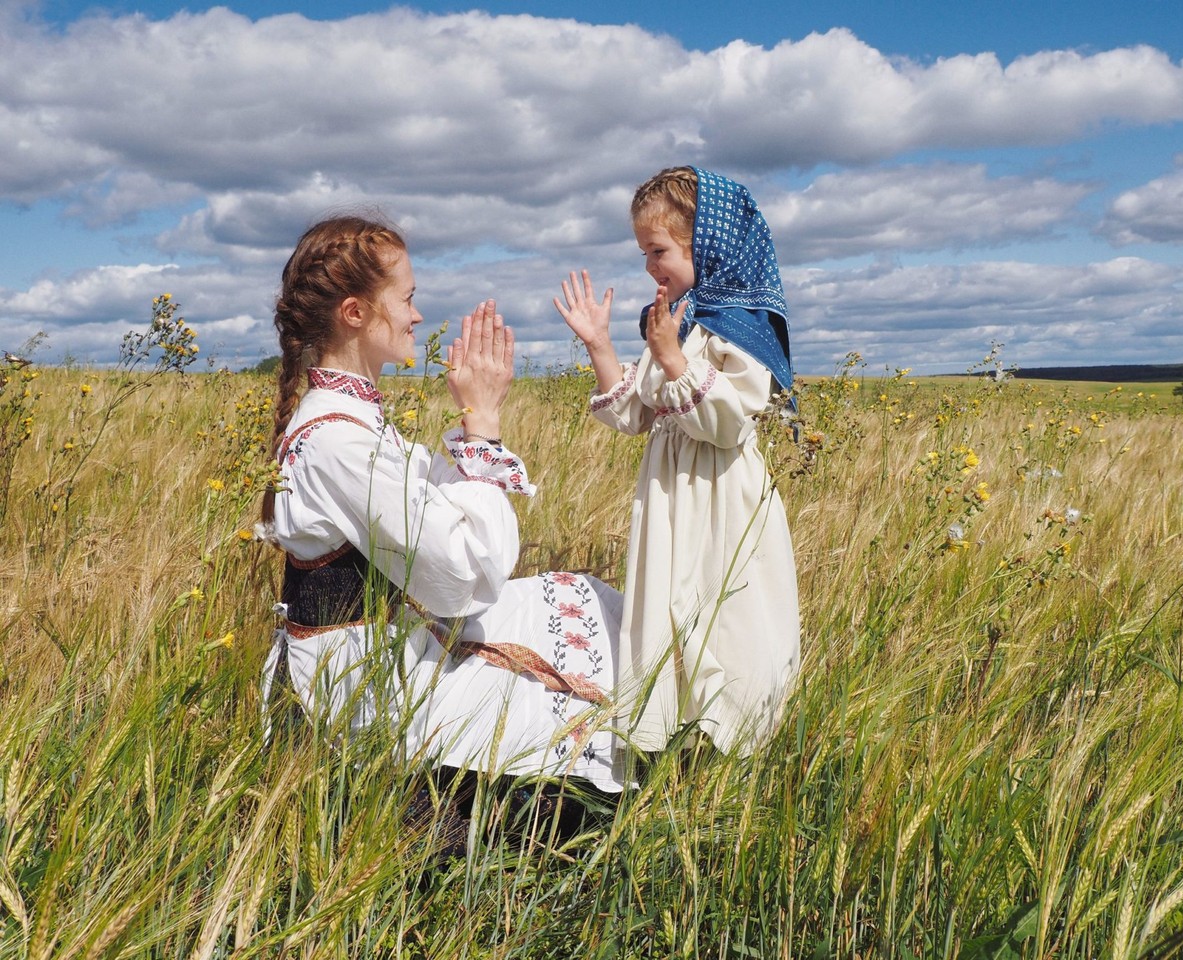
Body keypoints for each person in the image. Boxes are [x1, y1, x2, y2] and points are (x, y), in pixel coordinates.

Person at [258, 214, 625, 796]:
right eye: (406, 298)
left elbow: (435, 518)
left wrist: (475, 433)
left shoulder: (350, 419)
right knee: (579, 693)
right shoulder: (337, 439)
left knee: (591, 605)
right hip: (357, 682)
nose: (416, 315)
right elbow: (459, 580)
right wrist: (482, 425)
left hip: (384, 643)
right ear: (356, 313)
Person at [554, 166, 800, 756]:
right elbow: (633, 415)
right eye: (643, 251)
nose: (649, 266)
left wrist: (671, 357)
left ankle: (738, 753)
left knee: (726, 618)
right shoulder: (679, 322)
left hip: (720, 498)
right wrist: (602, 346)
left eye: (657, 249)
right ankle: (673, 748)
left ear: (705, 242)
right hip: (669, 499)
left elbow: (727, 420)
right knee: (667, 615)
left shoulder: (737, 325)